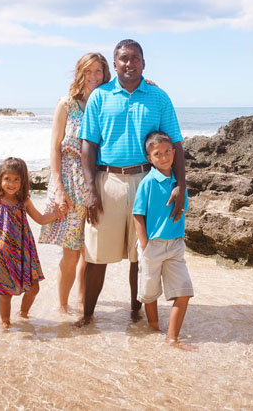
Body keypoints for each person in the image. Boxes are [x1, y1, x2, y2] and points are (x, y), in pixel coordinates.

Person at [76, 39, 186, 327]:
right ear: (115, 64)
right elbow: (88, 145)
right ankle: (87, 316)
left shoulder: (159, 98)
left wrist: (181, 186)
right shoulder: (100, 97)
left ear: (143, 63)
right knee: (96, 254)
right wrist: (90, 189)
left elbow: (175, 143)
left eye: (135, 58)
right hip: (107, 180)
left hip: (148, 182)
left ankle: (136, 313)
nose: (129, 63)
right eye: (123, 58)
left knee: (141, 254)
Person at [38, 52, 111, 313]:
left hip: (96, 184)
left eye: (98, 72)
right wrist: (58, 188)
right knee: (70, 253)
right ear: (80, 73)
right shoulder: (66, 104)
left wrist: (149, 84)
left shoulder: (107, 105)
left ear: (105, 75)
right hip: (68, 184)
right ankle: (62, 308)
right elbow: (54, 148)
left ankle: (82, 305)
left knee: (89, 252)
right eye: (88, 71)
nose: (93, 77)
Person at [0, 157, 62, 329]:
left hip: (23, 252)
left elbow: (40, 219)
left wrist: (57, 214)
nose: (11, 183)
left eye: (16, 179)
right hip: (1, 255)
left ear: (22, 180)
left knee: (34, 288)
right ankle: (5, 323)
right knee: (6, 293)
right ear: (0, 179)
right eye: (7, 179)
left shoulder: (23, 201)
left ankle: (23, 314)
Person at [133, 131, 194, 348]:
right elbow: (138, 214)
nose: (164, 157)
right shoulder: (148, 182)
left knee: (184, 291)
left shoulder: (180, 185)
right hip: (152, 245)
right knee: (150, 293)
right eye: (157, 154)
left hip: (175, 245)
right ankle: (154, 328)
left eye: (168, 151)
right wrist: (144, 245)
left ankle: (172, 338)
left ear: (174, 153)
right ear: (150, 159)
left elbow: (180, 211)